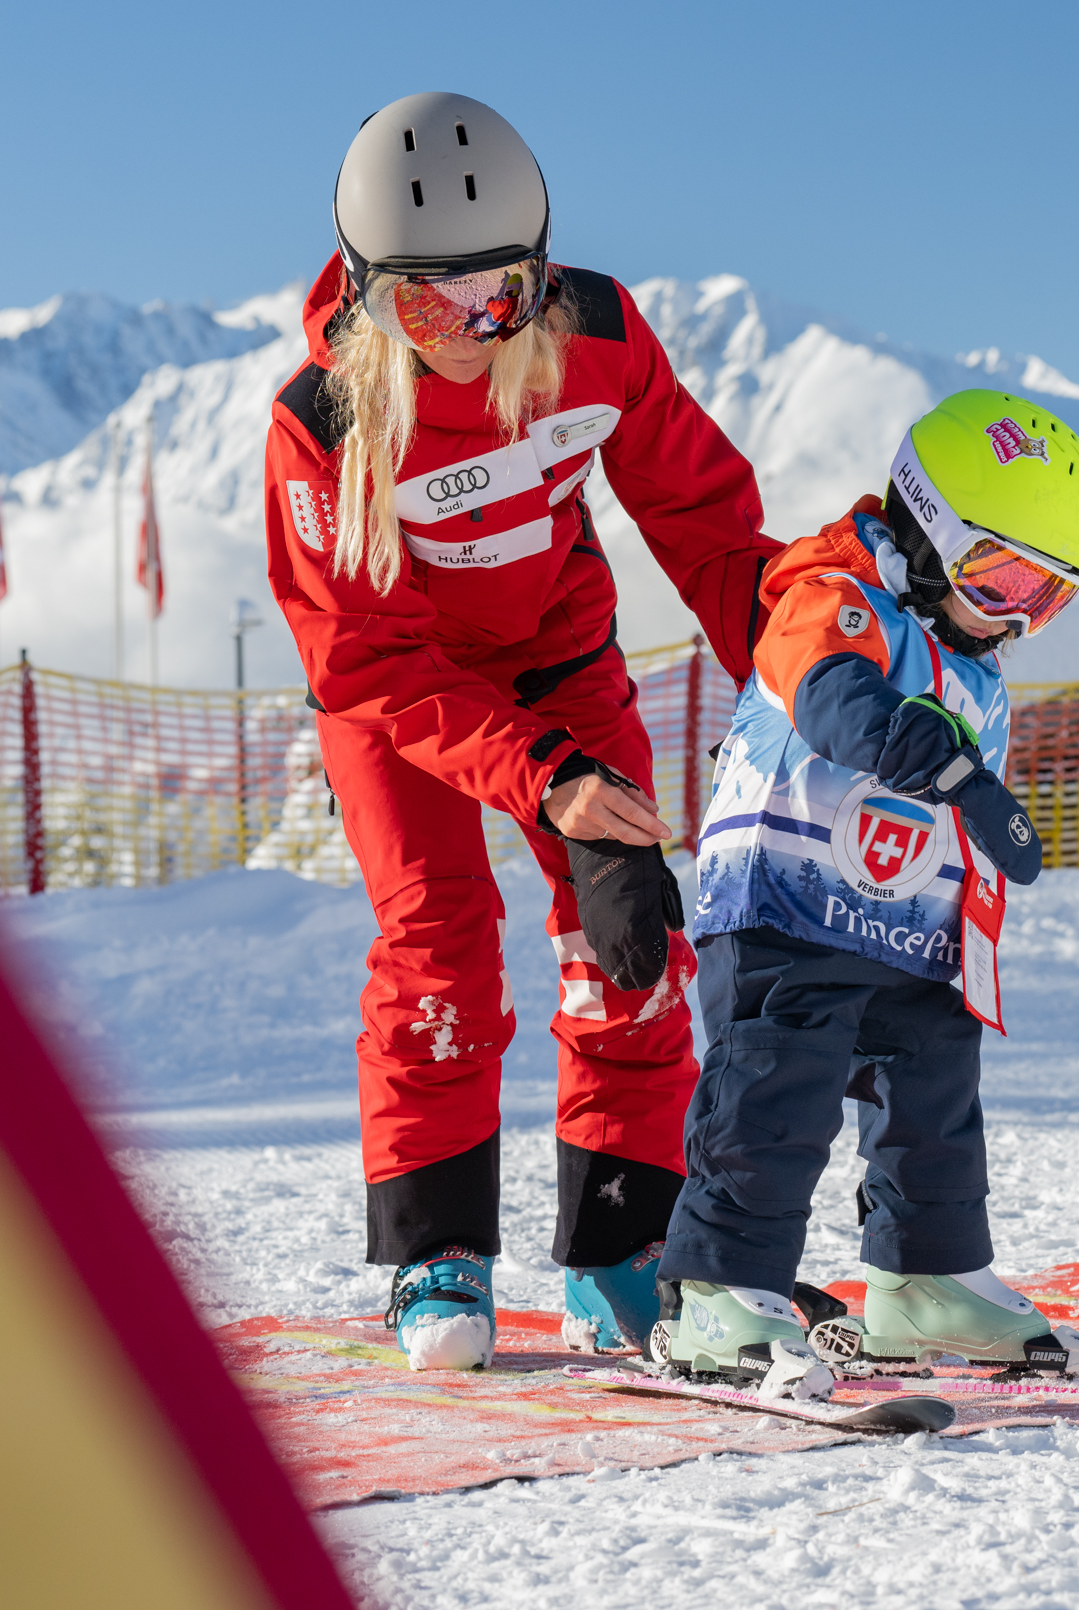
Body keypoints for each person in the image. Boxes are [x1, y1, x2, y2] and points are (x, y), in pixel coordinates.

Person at [264, 92, 783, 1370]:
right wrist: (541, 780)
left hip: (558, 660)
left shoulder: (595, 339)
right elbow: (360, 650)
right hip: (399, 698)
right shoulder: (322, 422)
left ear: (540, 277)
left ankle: (620, 1244)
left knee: (631, 939)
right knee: (441, 944)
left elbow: (709, 528)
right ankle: (438, 1251)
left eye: (494, 299)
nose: (460, 336)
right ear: (364, 294)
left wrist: (800, 675)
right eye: (421, 307)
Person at [650, 390, 1079, 1399]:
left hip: (905, 917)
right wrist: (953, 769)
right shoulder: (834, 589)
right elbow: (834, 700)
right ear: (928, 527)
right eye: (999, 578)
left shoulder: (971, 656)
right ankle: (718, 1295)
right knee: (775, 1088)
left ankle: (925, 1276)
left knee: (934, 1098)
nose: (1013, 615)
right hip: (785, 900)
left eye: (1044, 599)